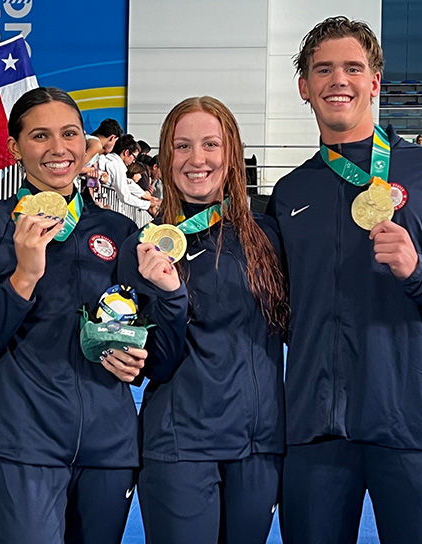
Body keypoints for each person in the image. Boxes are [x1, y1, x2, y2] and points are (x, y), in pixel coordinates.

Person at [266, 16, 422, 544]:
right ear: (304, 87)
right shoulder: (289, 193)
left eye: (353, 67)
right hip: (316, 430)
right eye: (322, 69)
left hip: (413, 425)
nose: (338, 80)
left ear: (375, 82)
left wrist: (418, 271)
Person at [0, 87, 145, 544]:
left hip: (108, 446)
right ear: (15, 148)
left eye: (70, 134)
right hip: (22, 441)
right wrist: (22, 278)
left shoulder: (119, 231)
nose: (58, 149)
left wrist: (139, 355)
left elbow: (143, 331)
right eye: (40, 136)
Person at [118, 96, 288, 544]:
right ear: (164, 157)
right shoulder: (144, 247)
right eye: (182, 146)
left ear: (231, 153)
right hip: (181, 446)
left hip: (258, 446)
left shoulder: (267, 237)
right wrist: (171, 297)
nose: (198, 159)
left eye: (211, 144)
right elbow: (154, 365)